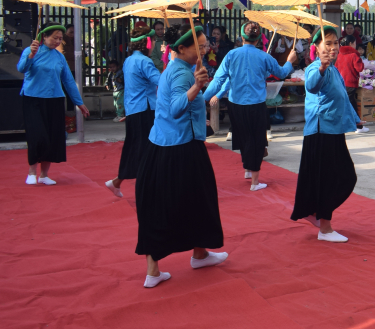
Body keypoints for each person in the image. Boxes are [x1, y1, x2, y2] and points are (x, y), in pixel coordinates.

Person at [135, 24, 226, 288]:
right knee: (179, 204)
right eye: (200, 45)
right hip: (179, 149)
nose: (206, 47)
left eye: (205, 42)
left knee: (194, 201)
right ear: (182, 49)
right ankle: (162, 267)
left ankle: (198, 253)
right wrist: (196, 87)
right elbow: (176, 108)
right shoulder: (180, 74)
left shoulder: (180, 68)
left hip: (167, 145)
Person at [203, 22, 298, 191]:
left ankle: (248, 170)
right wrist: (290, 61)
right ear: (258, 39)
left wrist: (203, 97)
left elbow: (218, 80)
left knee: (243, 136)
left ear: (241, 37)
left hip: (235, 104)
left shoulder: (231, 55)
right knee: (256, 140)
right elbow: (282, 73)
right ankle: (254, 181)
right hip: (256, 104)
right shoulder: (264, 56)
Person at [289, 27, 359, 243]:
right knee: (332, 180)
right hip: (322, 131)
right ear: (316, 48)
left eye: (335, 43)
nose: (332, 47)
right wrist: (321, 67)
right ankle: (325, 228)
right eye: (327, 43)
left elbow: (343, 98)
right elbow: (311, 85)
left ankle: (316, 214)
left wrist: (355, 118)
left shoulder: (335, 71)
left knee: (344, 177)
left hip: (334, 130)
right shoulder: (314, 69)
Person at [17, 24, 91, 185]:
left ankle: (44, 175)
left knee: (52, 137)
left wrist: (79, 102)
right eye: (54, 38)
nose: (58, 41)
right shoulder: (31, 51)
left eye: (60, 38)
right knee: (37, 136)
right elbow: (21, 68)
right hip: (33, 99)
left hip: (55, 100)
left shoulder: (59, 57)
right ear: (44, 36)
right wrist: (30, 55)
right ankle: (32, 172)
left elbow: (68, 81)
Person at [105, 25, 161, 198]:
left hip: (134, 110)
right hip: (145, 109)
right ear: (146, 43)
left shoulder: (129, 60)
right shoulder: (145, 61)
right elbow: (160, 81)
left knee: (134, 148)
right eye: (152, 41)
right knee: (146, 149)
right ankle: (145, 187)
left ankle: (117, 181)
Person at [335, 34, 368, 134]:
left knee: (344, 104)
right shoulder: (354, 55)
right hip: (350, 83)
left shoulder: (339, 54)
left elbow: (336, 68)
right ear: (350, 44)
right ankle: (359, 126)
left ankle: (350, 125)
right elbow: (359, 68)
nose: (355, 45)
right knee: (352, 105)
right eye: (355, 43)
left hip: (340, 83)